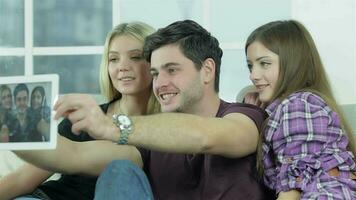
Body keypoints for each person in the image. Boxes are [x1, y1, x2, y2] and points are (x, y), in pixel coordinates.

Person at [16, 20, 274, 199]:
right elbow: (70, 155)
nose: (159, 83)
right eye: (155, 73)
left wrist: (111, 125)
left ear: (207, 70)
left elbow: (204, 136)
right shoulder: (149, 146)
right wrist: (12, 129)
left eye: (171, 70)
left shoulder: (246, 117)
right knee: (118, 171)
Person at [0, 21, 160, 200]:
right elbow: (23, 178)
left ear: (155, 63)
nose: (122, 66)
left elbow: (73, 154)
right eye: (113, 59)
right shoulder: (83, 118)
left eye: (136, 57)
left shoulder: (162, 131)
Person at [245, 20, 356, 199]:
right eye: (250, 66)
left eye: (264, 63)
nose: (253, 76)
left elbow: (293, 188)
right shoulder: (298, 105)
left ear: (293, 63)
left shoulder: (298, 105)